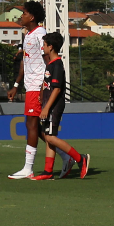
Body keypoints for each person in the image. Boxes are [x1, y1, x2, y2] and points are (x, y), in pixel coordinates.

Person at [29, 32, 90, 180]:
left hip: (54, 106)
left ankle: (80, 158)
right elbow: (49, 85)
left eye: (44, 45)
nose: (42, 47)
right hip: (48, 104)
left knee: (50, 137)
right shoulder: (50, 64)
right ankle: (48, 171)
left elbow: (56, 88)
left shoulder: (57, 64)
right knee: (49, 137)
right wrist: (41, 94)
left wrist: (46, 108)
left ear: (50, 47)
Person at [6, 0, 47, 179]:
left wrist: (43, 87)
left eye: (24, 13)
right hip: (29, 85)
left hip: (37, 85)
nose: (21, 16)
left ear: (32, 17)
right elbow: (25, 60)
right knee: (33, 126)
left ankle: (28, 168)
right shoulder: (28, 34)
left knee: (31, 124)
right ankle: (67, 156)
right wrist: (16, 85)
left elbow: (47, 59)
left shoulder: (40, 33)